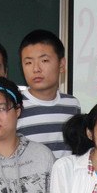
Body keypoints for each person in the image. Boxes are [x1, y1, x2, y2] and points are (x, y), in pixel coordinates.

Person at [16, 29, 81, 159]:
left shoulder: (72, 104)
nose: (36, 69)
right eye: (28, 62)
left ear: (61, 65)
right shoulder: (15, 106)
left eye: (44, 60)